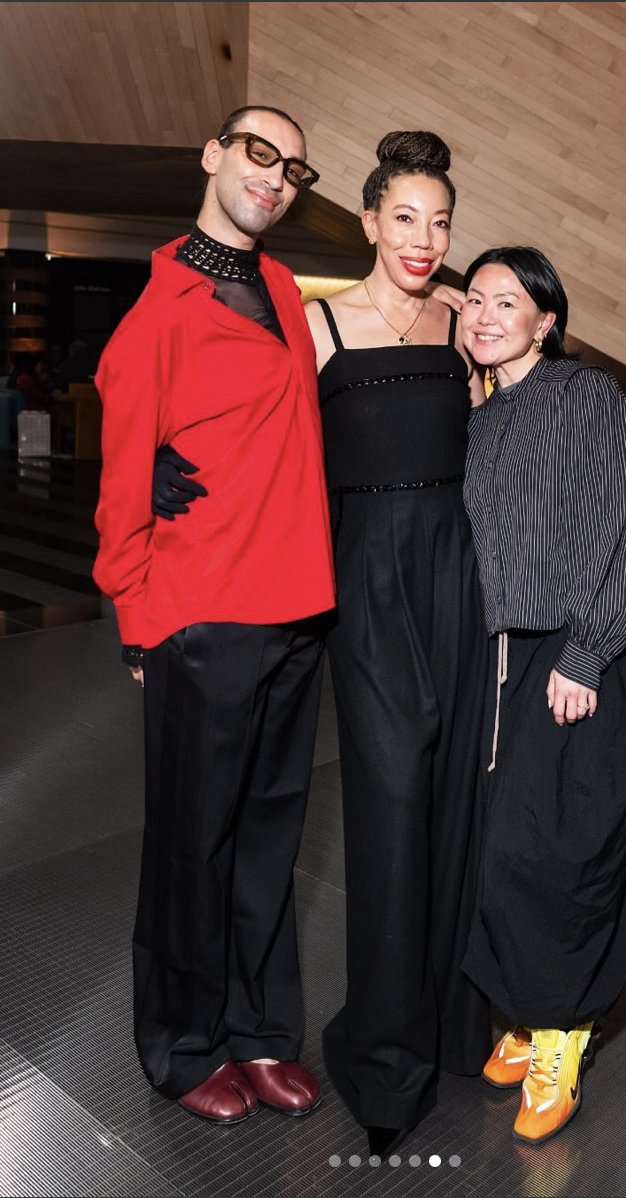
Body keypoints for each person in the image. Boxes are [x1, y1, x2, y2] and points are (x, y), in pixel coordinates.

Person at [153, 131, 492, 1156]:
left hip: (459, 574)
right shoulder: (318, 323)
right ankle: (384, 1059)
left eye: (439, 221)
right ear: (369, 221)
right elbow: (252, 424)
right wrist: (167, 460)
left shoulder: (462, 324)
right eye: (405, 217)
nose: (423, 238)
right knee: (390, 801)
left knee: (453, 802)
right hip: (364, 578)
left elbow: (505, 434)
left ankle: (450, 1022)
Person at [92, 104, 336, 1125]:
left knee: (270, 838)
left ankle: (259, 1029)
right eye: (257, 153)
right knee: (192, 845)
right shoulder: (162, 307)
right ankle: (182, 1044)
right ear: (213, 156)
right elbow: (119, 482)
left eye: (292, 168)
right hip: (204, 614)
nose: (274, 177)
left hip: (297, 603)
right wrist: (137, 616)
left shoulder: (278, 285)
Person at [457, 246, 626, 1145]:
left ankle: (563, 1035)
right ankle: (530, 1007)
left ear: (546, 320)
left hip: (581, 657)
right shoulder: (484, 416)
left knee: (563, 854)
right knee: (503, 848)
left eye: (508, 301)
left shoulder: (585, 395)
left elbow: (618, 523)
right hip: (505, 658)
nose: (485, 314)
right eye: (474, 299)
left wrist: (585, 653)